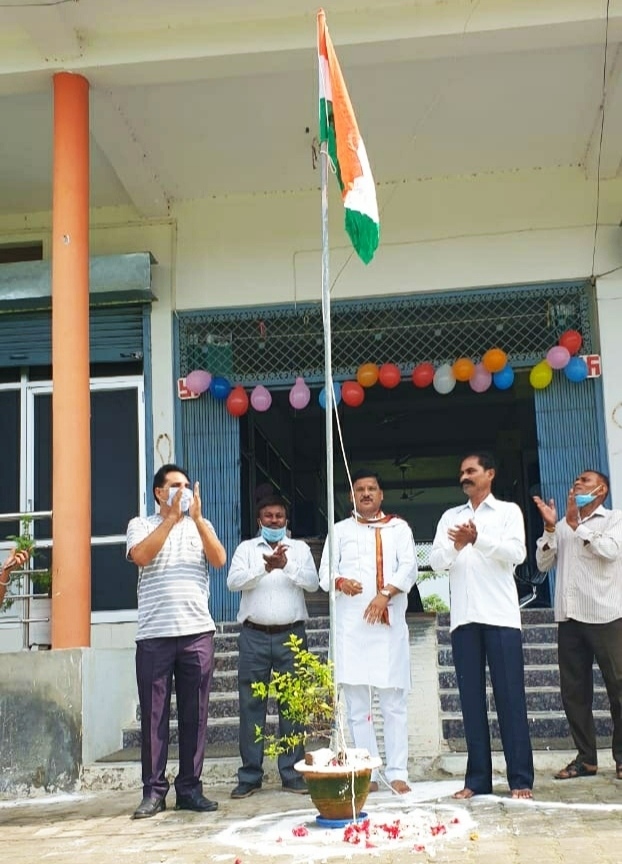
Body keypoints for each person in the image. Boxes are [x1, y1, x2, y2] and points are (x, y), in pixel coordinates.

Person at [430, 452, 534, 800]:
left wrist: (479, 540)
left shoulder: (508, 512)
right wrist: (458, 546)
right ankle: (477, 781)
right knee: (470, 703)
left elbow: (517, 554)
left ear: (490, 473)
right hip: (463, 620)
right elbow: (435, 561)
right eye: (461, 472)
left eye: (471, 471)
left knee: (510, 700)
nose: (465, 476)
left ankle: (520, 780)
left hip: (501, 618)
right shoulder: (450, 516)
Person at [126, 463, 227, 819]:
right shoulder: (141, 525)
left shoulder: (203, 525)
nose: (182, 491)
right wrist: (169, 519)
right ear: (159, 492)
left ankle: (189, 788)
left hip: (197, 632)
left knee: (195, 715)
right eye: (174, 486)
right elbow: (140, 556)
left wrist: (197, 520)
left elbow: (219, 559)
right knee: (154, 717)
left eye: (186, 486)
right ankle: (153, 792)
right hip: (154, 635)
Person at [319, 469, 418, 794]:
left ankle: (398, 771)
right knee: (358, 708)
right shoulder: (339, 530)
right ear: (351, 496)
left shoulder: (398, 528)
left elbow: (409, 568)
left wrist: (384, 594)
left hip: (388, 630)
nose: (365, 493)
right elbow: (324, 574)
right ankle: (369, 771)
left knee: (393, 704)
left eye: (371, 489)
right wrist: (341, 582)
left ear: (381, 495)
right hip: (352, 630)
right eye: (359, 489)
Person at [227, 494, 319, 798]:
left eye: (279, 516)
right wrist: (264, 570)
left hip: (291, 636)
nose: (274, 521)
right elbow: (233, 582)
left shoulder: (301, 549)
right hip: (253, 636)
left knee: (292, 706)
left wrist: (285, 565)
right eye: (268, 516)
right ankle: (250, 775)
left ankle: (292, 773)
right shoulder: (245, 549)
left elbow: (313, 583)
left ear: (286, 520)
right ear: (259, 520)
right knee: (250, 706)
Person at [534, 469, 622, 781]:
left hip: (606, 615)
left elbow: (610, 552)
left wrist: (578, 528)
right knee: (574, 693)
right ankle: (586, 760)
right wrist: (549, 528)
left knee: (619, 688)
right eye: (575, 481)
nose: (577, 484)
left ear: (601, 489)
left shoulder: (614, 519)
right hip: (569, 617)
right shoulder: (562, 525)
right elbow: (543, 564)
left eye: (584, 480)